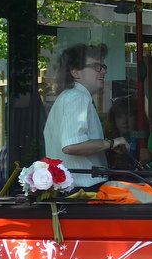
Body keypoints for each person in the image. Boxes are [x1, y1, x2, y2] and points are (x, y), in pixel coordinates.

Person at [43, 44, 129, 186]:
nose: (103, 71)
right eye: (96, 66)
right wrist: (112, 143)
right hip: (83, 191)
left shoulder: (69, 97)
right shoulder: (78, 97)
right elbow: (71, 145)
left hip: (73, 190)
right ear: (76, 72)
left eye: (103, 66)